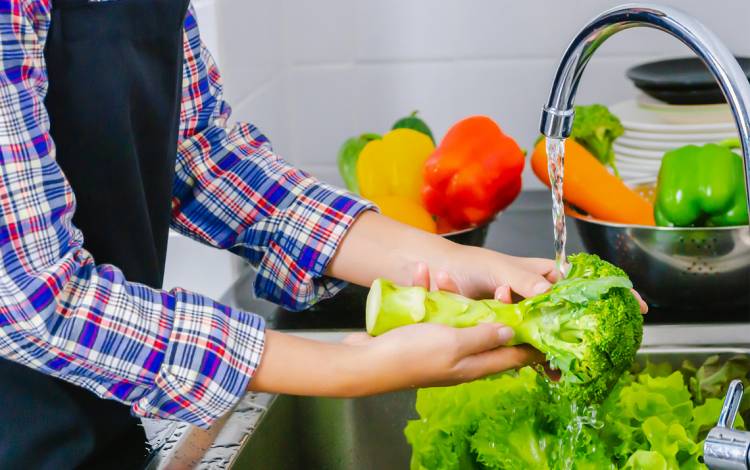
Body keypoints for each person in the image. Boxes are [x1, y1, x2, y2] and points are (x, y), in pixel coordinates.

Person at [0, 1, 647, 468]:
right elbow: (37, 298)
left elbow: (209, 159)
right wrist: (354, 367)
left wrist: (456, 262)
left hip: (99, 436)